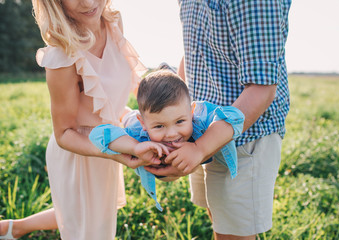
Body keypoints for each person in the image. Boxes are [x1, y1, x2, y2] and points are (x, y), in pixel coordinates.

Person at [0, 0, 163, 239]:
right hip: (79, 155)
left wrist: (134, 123)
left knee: (86, 218)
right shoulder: (61, 54)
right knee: (86, 226)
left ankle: (12, 228)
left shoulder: (113, 22)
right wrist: (117, 152)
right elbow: (64, 133)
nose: (88, 2)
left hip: (109, 144)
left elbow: (107, 103)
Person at [145, 1, 292, 239]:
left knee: (235, 232)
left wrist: (200, 149)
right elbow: (194, 51)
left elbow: (262, 88)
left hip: (245, 136)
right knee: (220, 219)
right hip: (202, 127)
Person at [88, 69, 245, 212]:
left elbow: (237, 116)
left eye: (179, 122)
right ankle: (124, 112)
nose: (171, 134)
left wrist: (199, 147)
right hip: (136, 124)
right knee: (128, 118)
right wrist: (135, 147)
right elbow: (97, 135)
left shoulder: (200, 119)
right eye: (159, 126)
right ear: (144, 123)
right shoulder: (139, 133)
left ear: (191, 112)